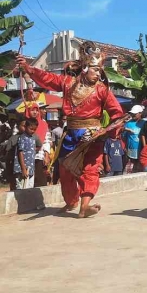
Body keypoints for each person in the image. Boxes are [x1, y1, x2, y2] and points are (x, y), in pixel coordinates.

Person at [16, 41, 124, 218]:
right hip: (72, 134)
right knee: (65, 170)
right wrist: (28, 68)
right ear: (85, 68)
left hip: (93, 135)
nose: (98, 74)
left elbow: (117, 113)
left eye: (99, 71)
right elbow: (48, 79)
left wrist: (106, 131)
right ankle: (71, 201)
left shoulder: (102, 90)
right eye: (95, 70)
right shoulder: (67, 83)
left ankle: (85, 205)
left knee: (90, 169)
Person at [14, 118, 42, 189]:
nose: (33, 131)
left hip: (30, 168)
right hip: (22, 169)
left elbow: (38, 146)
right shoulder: (22, 138)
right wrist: (23, 168)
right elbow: (20, 152)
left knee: (30, 188)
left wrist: (33, 150)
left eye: (34, 129)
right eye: (31, 129)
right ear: (25, 127)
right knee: (21, 188)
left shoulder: (33, 138)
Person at [3, 117, 25, 190]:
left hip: (27, 165)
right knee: (15, 184)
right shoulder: (13, 138)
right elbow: (8, 153)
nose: (25, 128)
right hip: (15, 165)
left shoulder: (31, 138)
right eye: (23, 126)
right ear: (18, 126)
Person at [122, 105, 145, 173]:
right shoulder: (128, 124)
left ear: (140, 113)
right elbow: (123, 137)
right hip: (131, 150)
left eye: (135, 114)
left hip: (141, 149)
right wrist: (125, 147)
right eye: (132, 114)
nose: (133, 115)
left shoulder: (144, 123)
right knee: (130, 169)